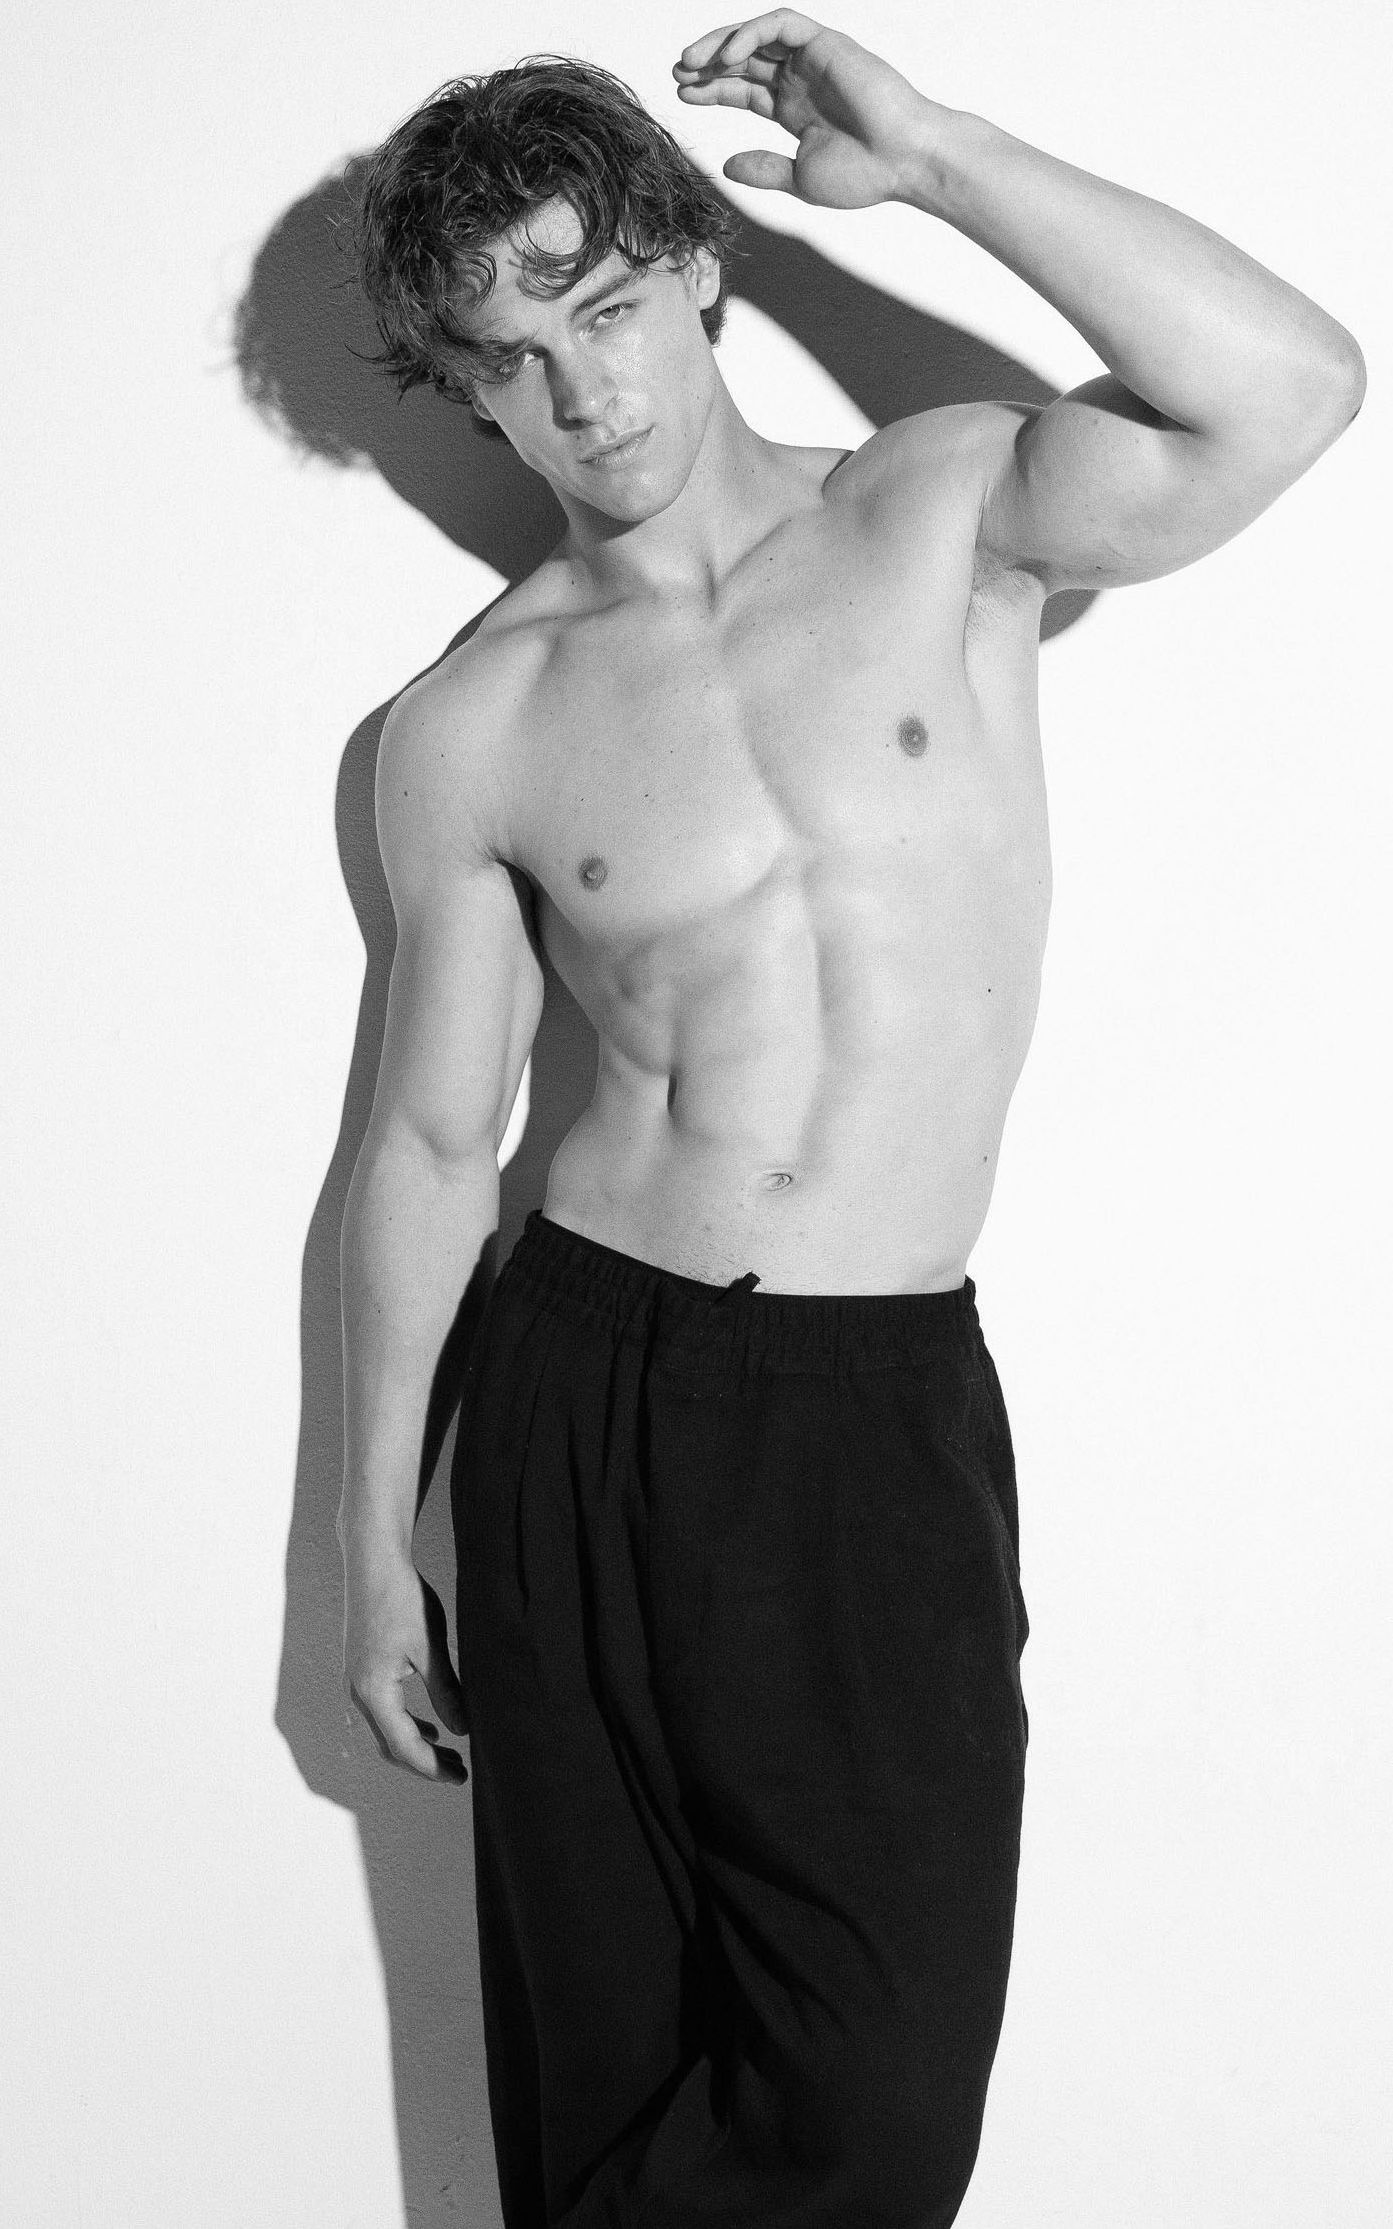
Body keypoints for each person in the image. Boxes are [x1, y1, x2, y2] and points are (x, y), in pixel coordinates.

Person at [337, 14, 1364, 2225]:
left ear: (697, 268)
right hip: (574, 1387)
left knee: (874, 2099)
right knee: (607, 2064)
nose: (586, 395)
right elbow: (429, 1146)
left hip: (868, 1403)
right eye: (516, 357)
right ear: (469, 387)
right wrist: (369, 1535)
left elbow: (1286, 390)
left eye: (609, 305)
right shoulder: (471, 719)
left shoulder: (944, 512)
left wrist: (940, 161)